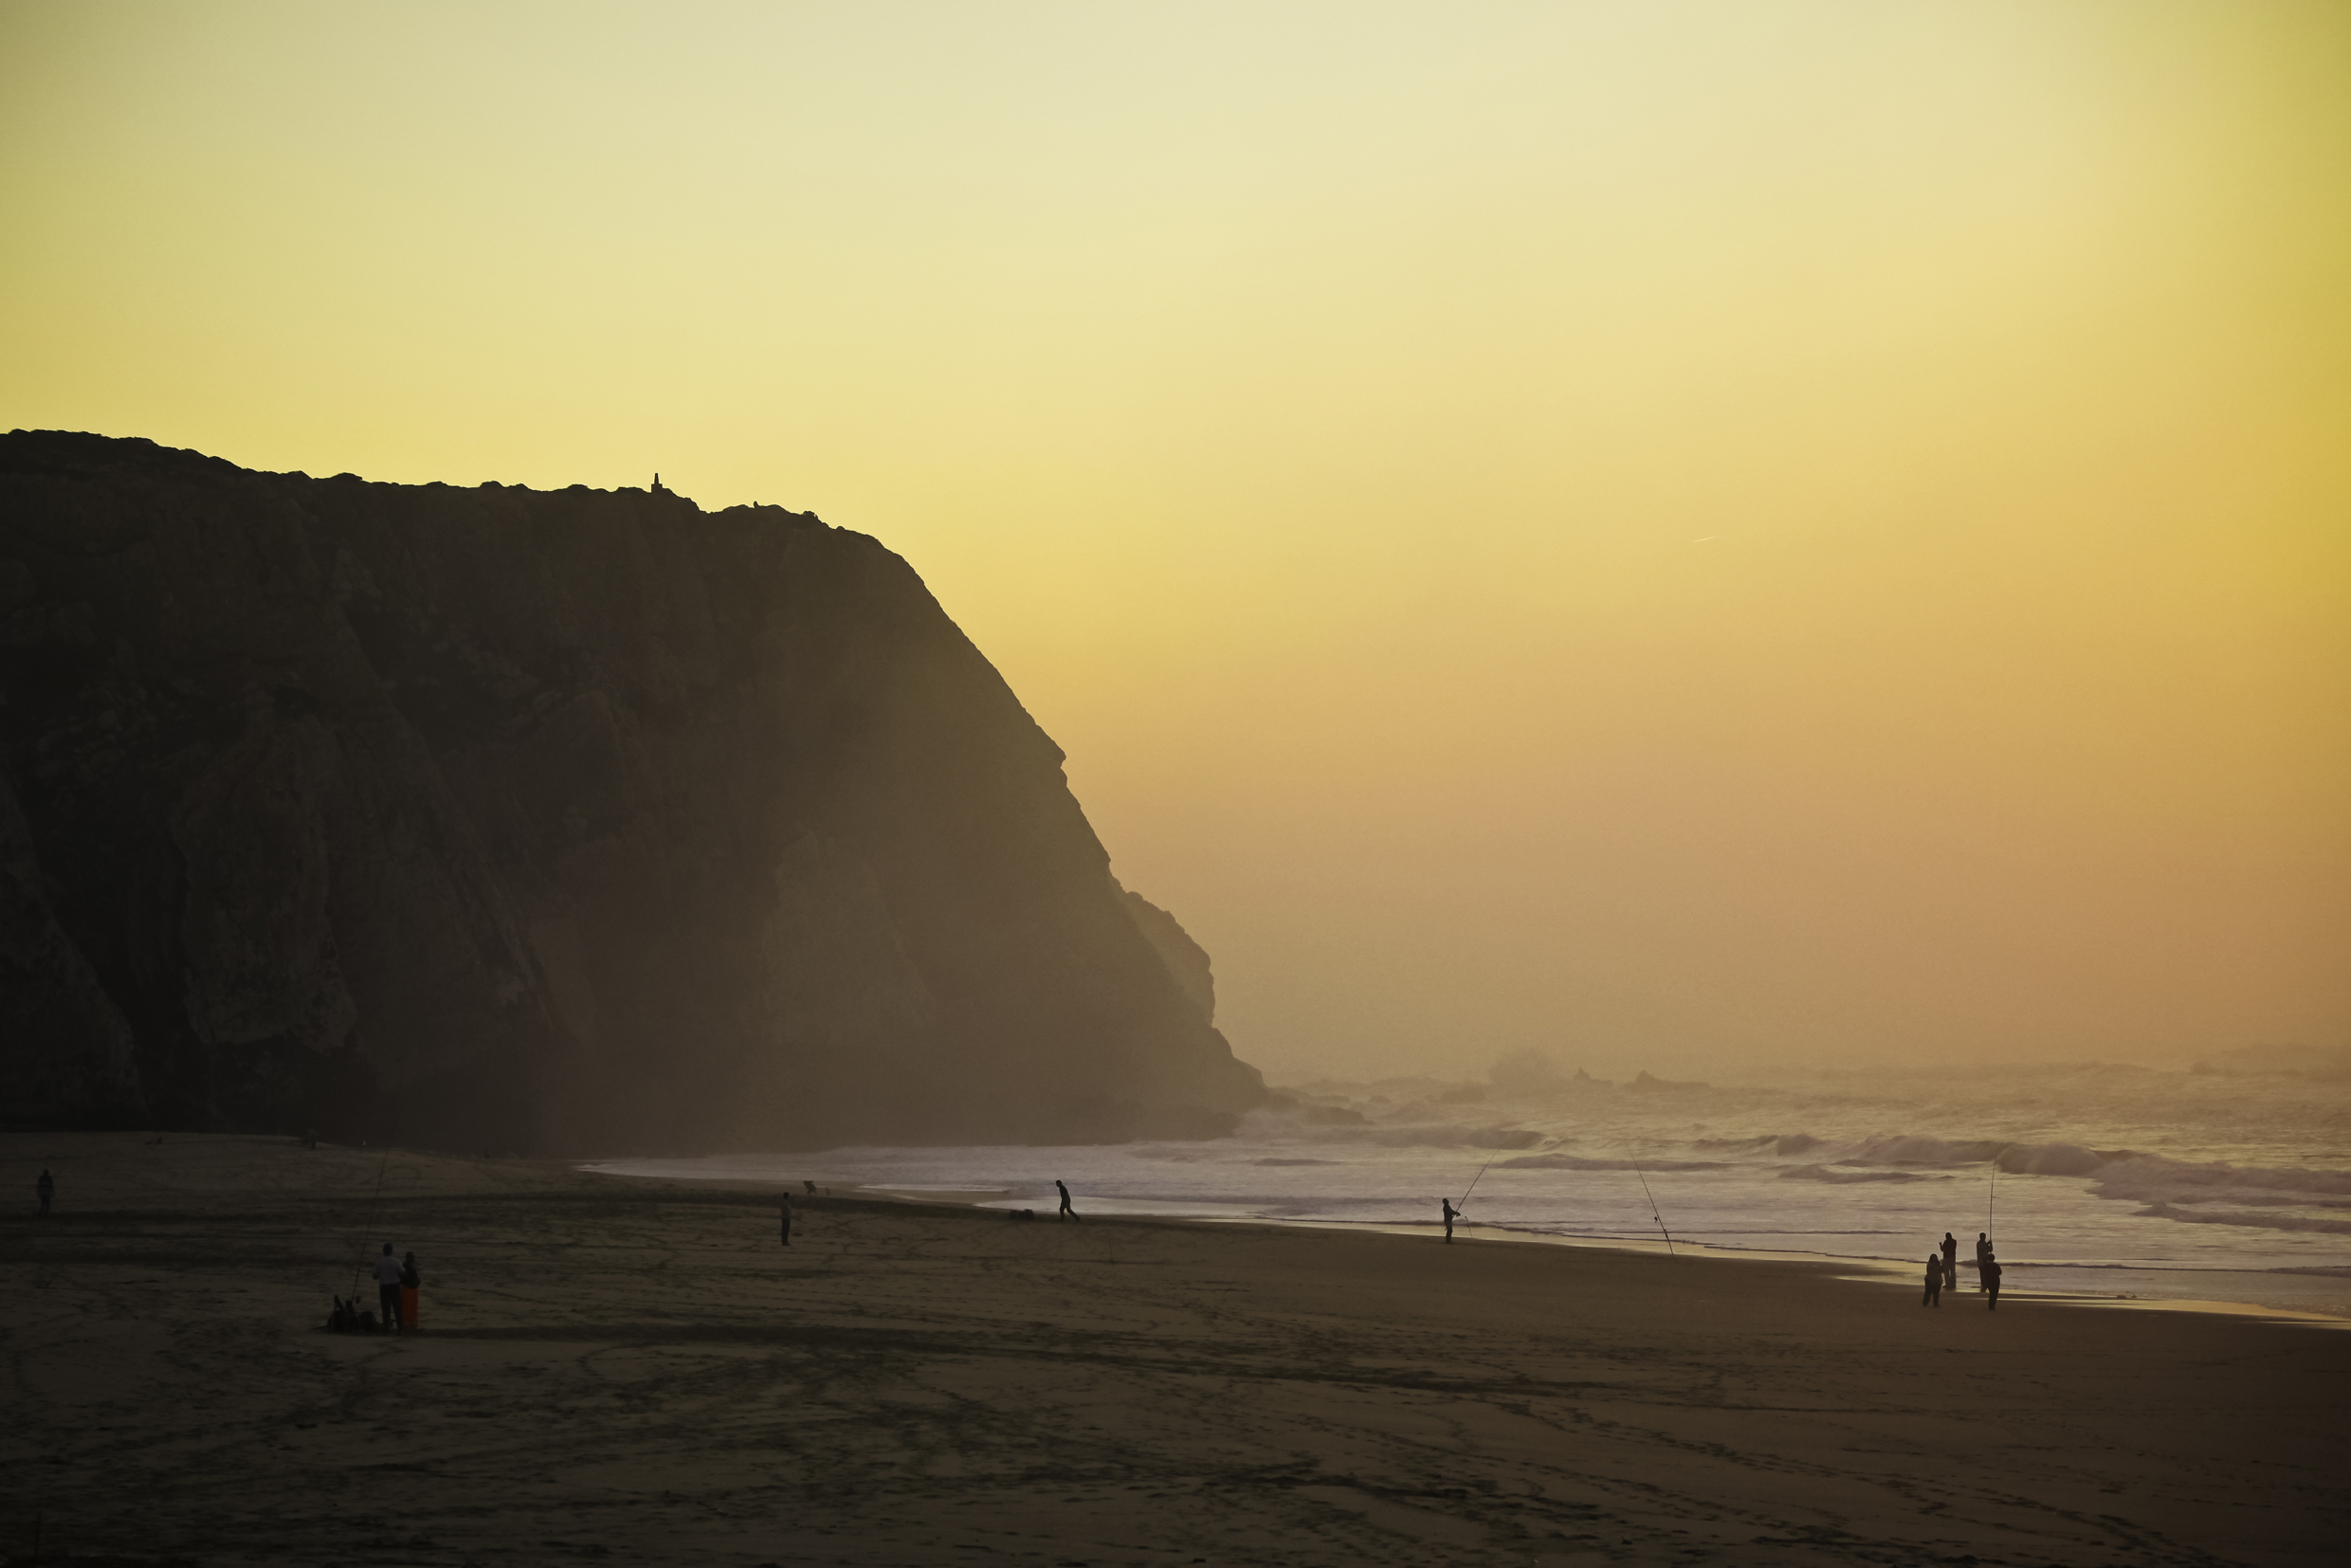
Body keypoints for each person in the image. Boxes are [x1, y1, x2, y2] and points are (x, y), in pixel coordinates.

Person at [373, 1242, 405, 1332]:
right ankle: (400, 1329)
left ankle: (386, 1329)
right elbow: (403, 1273)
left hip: (384, 1286)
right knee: (397, 1309)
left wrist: (381, 1275)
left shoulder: (379, 1262)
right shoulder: (396, 1261)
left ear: (383, 1251)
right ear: (391, 1251)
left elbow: (374, 1276)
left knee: (385, 1309)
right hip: (395, 1286)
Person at [400, 1251, 422, 1332]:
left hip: (413, 1290)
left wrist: (418, 1281)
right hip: (407, 1289)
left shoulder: (411, 1267)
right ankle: (406, 1325)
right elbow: (403, 1279)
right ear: (408, 1258)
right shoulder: (404, 1267)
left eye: (413, 1257)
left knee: (413, 1308)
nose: (413, 1259)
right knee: (406, 1308)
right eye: (412, 1257)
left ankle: (414, 1325)